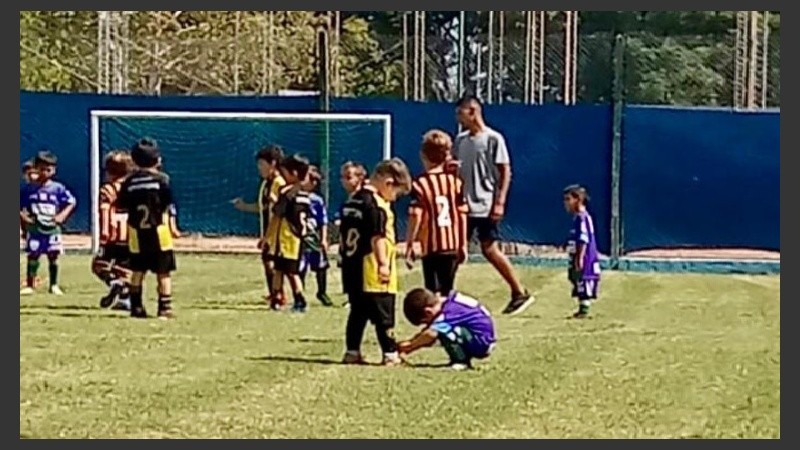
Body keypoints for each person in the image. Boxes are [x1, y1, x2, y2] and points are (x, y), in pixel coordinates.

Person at [452, 95, 533, 315]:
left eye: (461, 113)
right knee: (454, 251)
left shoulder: (493, 139)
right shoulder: (460, 141)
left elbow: (505, 171)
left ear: (473, 111)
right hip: (464, 206)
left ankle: (519, 292)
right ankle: (444, 294)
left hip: (485, 204)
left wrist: (500, 201)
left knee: (489, 249)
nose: (458, 118)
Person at [339, 158, 412, 366]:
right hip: (371, 267)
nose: (394, 198)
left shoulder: (353, 200)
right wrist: (383, 264)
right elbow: (377, 237)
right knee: (384, 313)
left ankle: (352, 351)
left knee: (357, 312)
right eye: (396, 192)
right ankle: (390, 353)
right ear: (388, 182)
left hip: (352, 266)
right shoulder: (376, 205)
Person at [117, 138, 180, 319]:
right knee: (163, 272)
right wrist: (173, 225)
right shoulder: (162, 180)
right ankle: (164, 307)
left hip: (136, 233)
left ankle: (136, 306)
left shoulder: (129, 182)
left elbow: (122, 205)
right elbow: (168, 204)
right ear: (157, 160)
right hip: (159, 231)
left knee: (137, 270)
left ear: (135, 161)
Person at [405, 129, 468, 295]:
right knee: (448, 292)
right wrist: (462, 244)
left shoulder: (420, 184)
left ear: (423, 155)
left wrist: (410, 244)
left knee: (432, 293)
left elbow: (415, 214)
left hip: (432, 248)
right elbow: (462, 215)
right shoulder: (455, 182)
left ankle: (436, 321)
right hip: (451, 244)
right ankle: (449, 319)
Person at [232, 145, 287, 304]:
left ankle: (280, 295)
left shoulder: (279, 183)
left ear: (273, 164)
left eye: (262, 164)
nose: (259, 168)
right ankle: (274, 293)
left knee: (276, 265)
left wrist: (270, 235)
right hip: (267, 232)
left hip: (277, 232)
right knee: (268, 263)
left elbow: (281, 208)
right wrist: (244, 206)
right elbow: (262, 207)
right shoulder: (265, 183)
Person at [20, 151, 77, 296]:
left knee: (53, 255)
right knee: (33, 255)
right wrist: (24, 217)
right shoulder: (29, 189)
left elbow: (71, 201)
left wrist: (62, 216)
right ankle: (30, 285)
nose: (44, 172)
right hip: (35, 228)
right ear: (35, 168)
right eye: (41, 169)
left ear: (54, 170)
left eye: (48, 169)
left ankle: (54, 285)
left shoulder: (58, 188)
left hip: (52, 228)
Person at [398, 287, 496, 370]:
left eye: (426, 322)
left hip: (481, 342)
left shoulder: (447, 313)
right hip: (481, 337)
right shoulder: (451, 301)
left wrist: (410, 346)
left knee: (444, 331)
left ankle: (461, 361)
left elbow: (430, 334)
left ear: (428, 312)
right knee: (442, 328)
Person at [266, 154, 312, 312]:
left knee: (291, 272)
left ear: (293, 173)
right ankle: (276, 297)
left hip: (287, 238)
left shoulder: (287, 193)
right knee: (280, 269)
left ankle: (300, 299)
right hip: (295, 238)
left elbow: (278, 212)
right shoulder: (305, 195)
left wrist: (267, 236)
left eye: (284, 171)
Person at [92, 150, 135, 310]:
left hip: (113, 233)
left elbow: (105, 210)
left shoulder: (107, 190)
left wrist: (104, 232)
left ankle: (113, 283)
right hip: (131, 233)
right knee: (127, 268)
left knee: (99, 264)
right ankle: (125, 298)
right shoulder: (134, 188)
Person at [563, 184, 601, 319]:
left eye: (568, 199)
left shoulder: (582, 218)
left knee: (582, 280)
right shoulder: (578, 218)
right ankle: (582, 308)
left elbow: (583, 239)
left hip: (585, 257)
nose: (566, 204)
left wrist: (580, 257)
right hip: (578, 255)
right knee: (575, 278)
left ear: (578, 200)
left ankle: (584, 310)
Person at [299, 165, 334, 307]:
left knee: (321, 267)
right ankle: (299, 294)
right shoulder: (296, 197)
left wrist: (324, 238)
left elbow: (323, 221)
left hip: (314, 239)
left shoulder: (317, 200)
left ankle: (322, 292)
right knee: (300, 267)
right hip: (301, 239)